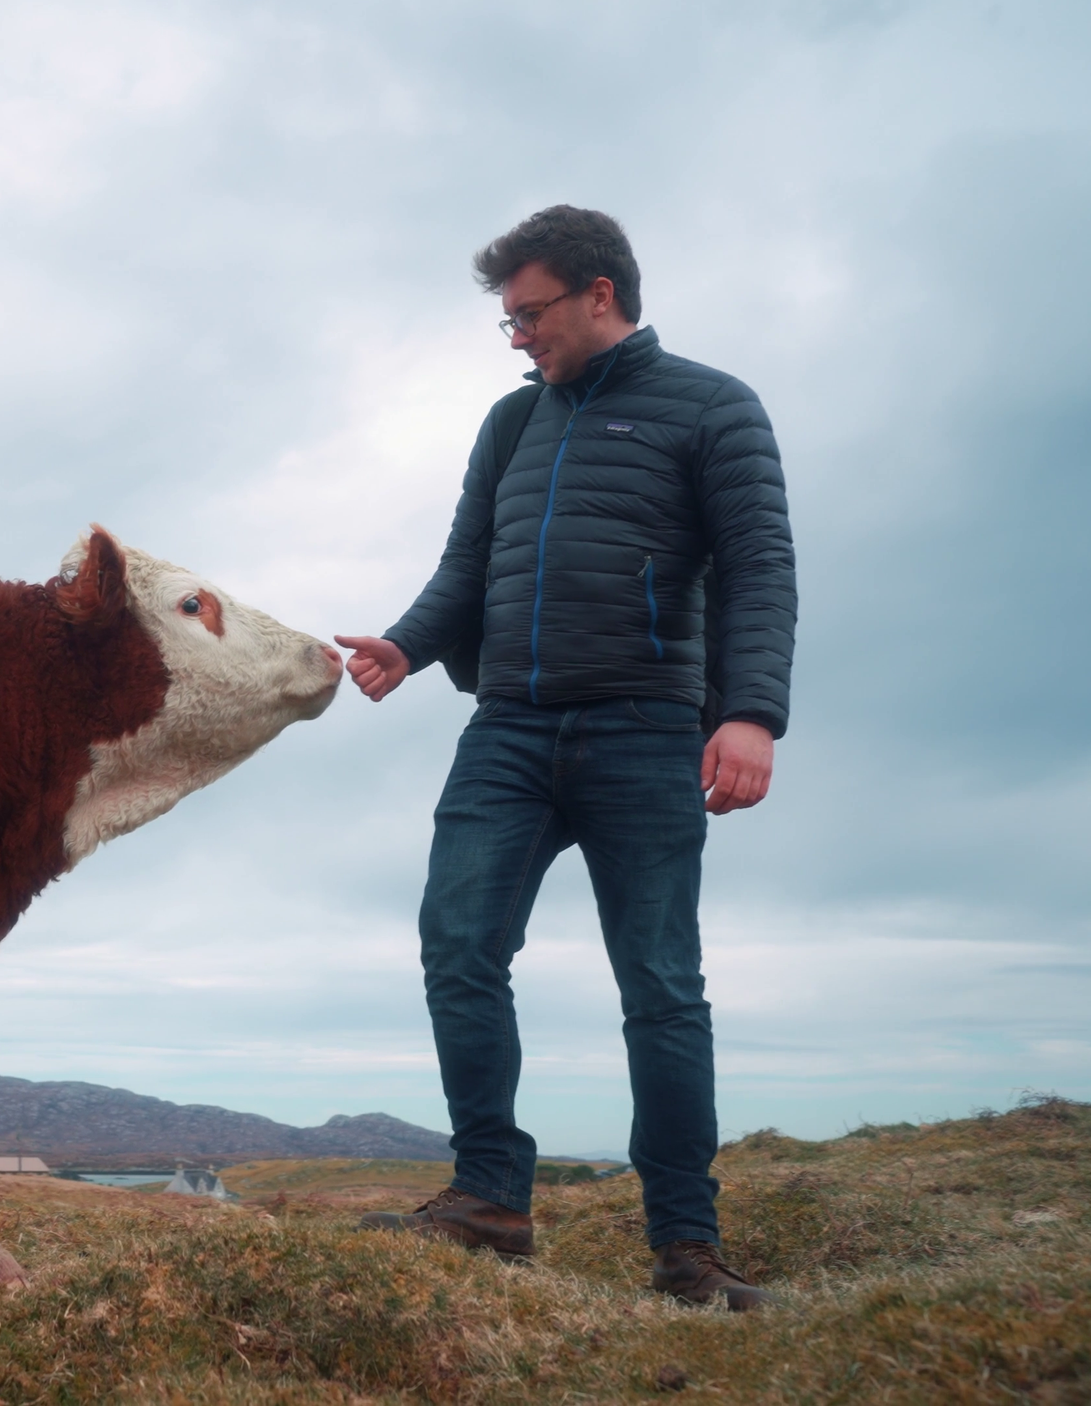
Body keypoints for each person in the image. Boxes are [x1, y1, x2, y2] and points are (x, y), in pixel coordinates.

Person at [335, 206, 796, 1312]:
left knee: (660, 987)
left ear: (599, 293)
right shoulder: (510, 424)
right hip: (508, 728)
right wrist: (406, 642)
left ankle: (687, 1247)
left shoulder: (713, 406)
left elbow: (757, 566)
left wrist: (751, 715)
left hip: (646, 729)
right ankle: (490, 1193)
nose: (517, 338)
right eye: (506, 321)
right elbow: (466, 566)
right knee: (456, 943)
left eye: (529, 314)